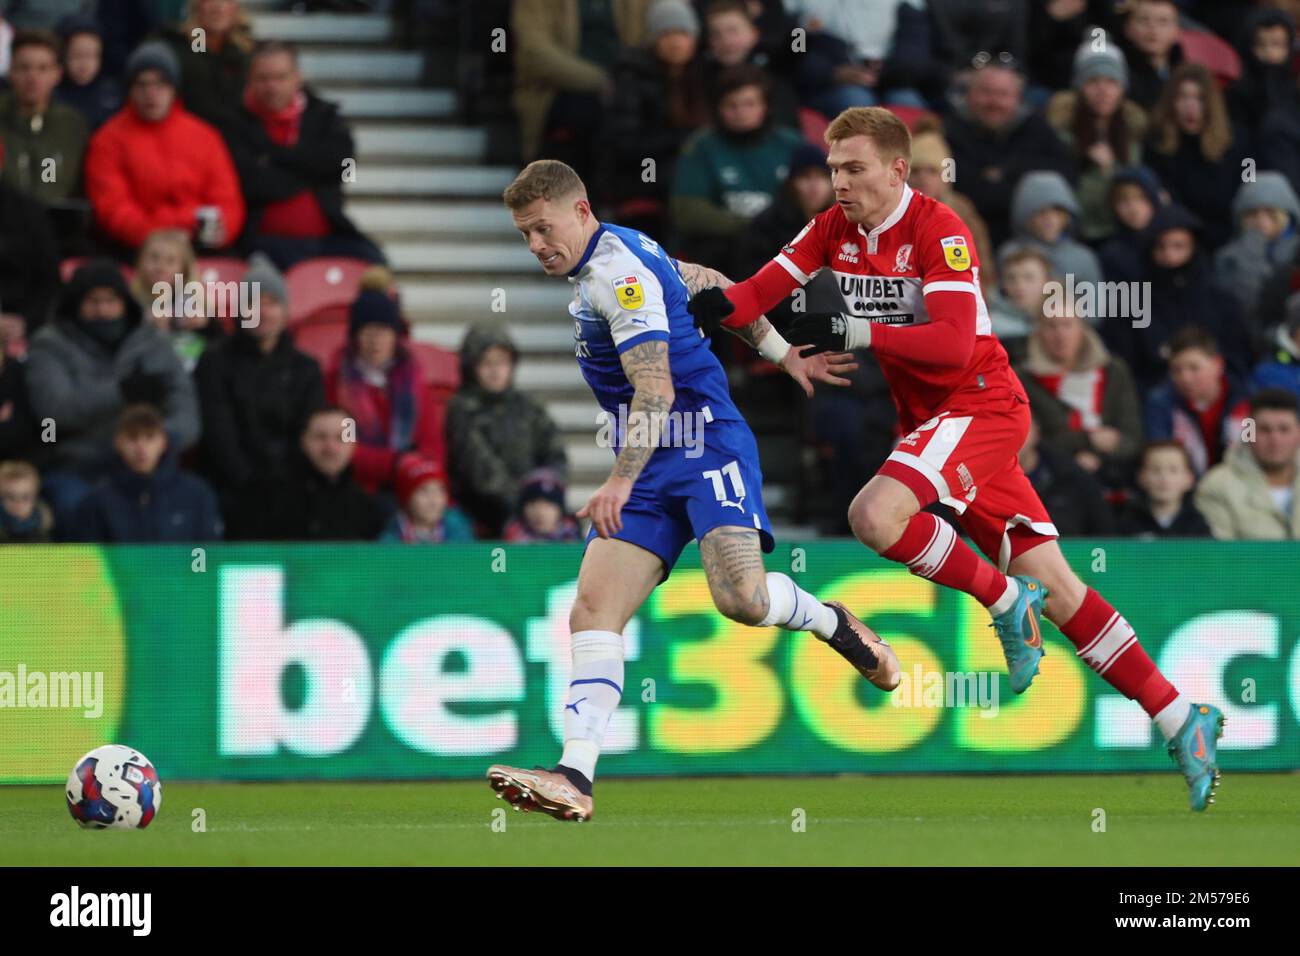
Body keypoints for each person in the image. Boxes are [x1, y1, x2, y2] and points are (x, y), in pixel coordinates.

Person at [686, 106, 1225, 811]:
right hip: (934, 423)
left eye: (853, 168)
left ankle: (1003, 599)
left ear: (897, 169)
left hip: (981, 406)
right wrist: (701, 305)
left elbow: (951, 344)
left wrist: (859, 328)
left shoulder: (939, 230)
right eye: (832, 168)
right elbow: (754, 294)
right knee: (1061, 592)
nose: (837, 182)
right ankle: (1183, 719)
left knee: (874, 516)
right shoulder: (830, 229)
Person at [486, 158, 884, 823]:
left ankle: (833, 621)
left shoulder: (617, 277)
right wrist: (781, 350)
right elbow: (711, 284)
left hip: (705, 450)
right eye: (524, 234)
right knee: (592, 614)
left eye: (542, 228)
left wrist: (617, 479)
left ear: (580, 212)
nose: (535, 245)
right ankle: (574, 775)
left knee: (743, 601)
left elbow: (657, 389)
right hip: (649, 463)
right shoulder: (618, 254)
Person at [24, 259, 200, 531]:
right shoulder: (49, 345)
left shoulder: (152, 342)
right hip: (79, 467)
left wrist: (155, 441)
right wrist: (121, 393)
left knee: (192, 502)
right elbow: (53, 412)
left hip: (151, 470)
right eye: (93, 301)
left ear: (125, 302)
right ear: (75, 305)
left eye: (111, 300)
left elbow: (186, 410)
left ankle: (178, 574)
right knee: (78, 508)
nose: (103, 310)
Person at [222, 40, 384, 269]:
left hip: (330, 237)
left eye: (280, 77)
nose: (272, 86)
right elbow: (253, 183)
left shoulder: (324, 115)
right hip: (264, 243)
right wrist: (311, 170)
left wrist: (274, 157)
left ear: (297, 78)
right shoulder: (234, 123)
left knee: (377, 267)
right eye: (263, 78)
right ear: (250, 80)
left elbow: (343, 164)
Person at [83, 40, 245, 253]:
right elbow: (113, 207)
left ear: (174, 89)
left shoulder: (204, 136)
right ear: (130, 90)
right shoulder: (108, 139)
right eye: (142, 84)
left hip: (200, 247)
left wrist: (223, 230)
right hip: (137, 250)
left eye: (160, 84)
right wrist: (155, 237)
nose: (151, 93)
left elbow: (227, 201)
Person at [194, 252, 324, 511]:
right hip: (231, 490)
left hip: (293, 488)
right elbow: (220, 437)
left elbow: (310, 432)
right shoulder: (214, 362)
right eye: (254, 303)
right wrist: (253, 487)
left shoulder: (306, 368)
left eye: (273, 303)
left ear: (286, 312)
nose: (263, 312)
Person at [670, 64, 804, 271]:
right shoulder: (701, 147)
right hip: (721, 250)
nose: (741, 112)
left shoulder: (793, 145)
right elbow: (687, 211)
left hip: (784, 246)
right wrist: (751, 227)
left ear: (764, 106)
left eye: (749, 104)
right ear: (719, 108)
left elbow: (820, 201)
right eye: (731, 105)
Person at [325, 273, 448, 496]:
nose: (376, 341)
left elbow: (432, 446)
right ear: (355, 336)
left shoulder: (413, 382)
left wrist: (413, 470)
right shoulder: (337, 380)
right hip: (354, 488)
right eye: (368, 332)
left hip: (411, 487)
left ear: (395, 336)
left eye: (383, 332)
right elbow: (340, 446)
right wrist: (395, 463)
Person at [445, 321, 568, 537]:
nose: (495, 371)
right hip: (484, 515)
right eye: (486, 363)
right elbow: (480, 471)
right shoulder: (462, 410)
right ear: (471, 367)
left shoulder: (528, 407)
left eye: (502, 363)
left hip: (534, 507)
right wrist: (525, 502)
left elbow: (555, 455)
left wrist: (543, 494)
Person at [943, 56, 1077, 245]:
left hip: (1035, 239)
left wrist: (1006, 173)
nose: (994, 102)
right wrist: (1024, 187)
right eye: (985, 93)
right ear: (968, 94)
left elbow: (1064, 176)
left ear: (1017, 98)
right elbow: (957, 187)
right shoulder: (949, 132)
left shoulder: (1037, 128)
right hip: (966, 236)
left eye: (1003, 94)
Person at [1018, 295, 1143, 489]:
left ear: (1082, 328)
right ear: (1038, 332)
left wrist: (1098, 458)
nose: (1060, 335)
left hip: (1115, 474)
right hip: (1051, 480)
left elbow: (1132, 438)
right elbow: (1032, 442)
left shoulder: (1113, 371)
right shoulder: (1024, 379)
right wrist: (1089, 439)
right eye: (1052, 326)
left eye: (1067, 325)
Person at [228, 405, 385, 541]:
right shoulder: (266, 498)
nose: (330, 447)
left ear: (354, 445)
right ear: (303, 441)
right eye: (320, 437)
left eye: (340, 438)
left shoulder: (367, 509)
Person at [1045, 36, 1148, 241]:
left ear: (1122, 89)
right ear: (1079, 88)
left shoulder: (1135, 134)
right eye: (1093, 81)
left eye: (1111, 82)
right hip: (1077, 236)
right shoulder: (1059, 136)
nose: (1103, 90)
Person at [75, 403, 223, 543]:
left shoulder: (196, 494)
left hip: (180, 570)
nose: (141, 448)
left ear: (163, 442)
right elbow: (88, 562)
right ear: (118, 442)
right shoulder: (98, 501)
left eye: (149, 437)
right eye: (133, 438)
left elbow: (208, 555)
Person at [1143, 62, 1247, 251]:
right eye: (1182, 97)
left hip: (1230, 239)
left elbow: (1246, 192)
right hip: (1177, 242)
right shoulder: (1156, 144)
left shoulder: (1235, 142)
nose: (1190, 106)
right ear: (1171, 102)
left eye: (1199, 98)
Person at [1144, 326, 1251, 477]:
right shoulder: (1160, 404)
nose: (1185, 378)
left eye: (1194, 368)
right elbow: (1161, 457)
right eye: (1176, 370)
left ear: (1217, 365)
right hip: (1184, 490)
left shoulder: (1246, 401)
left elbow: (1252, 451)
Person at [1195, 388, 1300, 539]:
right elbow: (1220, 557)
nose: (1275, 440)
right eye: (1265, 430)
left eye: (1284, 430)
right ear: (1248, 434)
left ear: (1298, 433)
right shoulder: (1216, 486)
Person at [0, 29, 88, 203]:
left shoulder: (72, 125)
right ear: (11, 72)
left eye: (43, 68)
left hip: (54, 224)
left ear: (57, 74)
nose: (33, 77)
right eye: (24, 68)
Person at [130, 227, 222, 373]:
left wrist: (206, 325)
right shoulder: (131, 302)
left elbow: (220, 343)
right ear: (141, 262)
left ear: (184, 269)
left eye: (170, 261)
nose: (160, 267)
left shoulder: (195, 302)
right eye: (154, 258)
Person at [1213, 171, 1300, 323]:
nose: (1261, 221)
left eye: (1270, 213)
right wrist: (1251, 251)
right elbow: (1243, 303)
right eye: (1252, 214)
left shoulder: (1296, 254)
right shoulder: (1228, 259)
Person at [998, 170, 1103, 294]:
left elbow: (1095, 306)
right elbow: (1002, 299)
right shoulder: (1011, 254)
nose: (1050, 220)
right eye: (1041, 212)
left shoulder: (1083, 258)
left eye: (1057, 212)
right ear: (1024, 215)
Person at [1116, 440, 1211, 538]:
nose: (1164, 478)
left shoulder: (1199, 524)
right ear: (1141, 477)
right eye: (1155, 470)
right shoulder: (1126, 522)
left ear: (1189, 479)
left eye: (1173, 470)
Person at [379, 454, 473, 544]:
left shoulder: (460, 534)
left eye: (440, 491)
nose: (434, 501)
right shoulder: (391, 540)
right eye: (424, 492)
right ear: (406, 498)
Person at [55, 15, 122, 132]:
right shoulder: (52, 95)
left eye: (91, 56)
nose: (84, 63)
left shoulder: (112, 95)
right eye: (77, 55)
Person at [503, 468, 582, 542]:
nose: (540, 513)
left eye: (548, 506)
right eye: (533, 505)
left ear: (560, 510)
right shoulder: (511, 539)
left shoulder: (574, 540)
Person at [0, 459, 53, 542]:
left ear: (35, 496)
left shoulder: (42, 522)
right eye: (10, 496)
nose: (18, 503)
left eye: (25, 497)